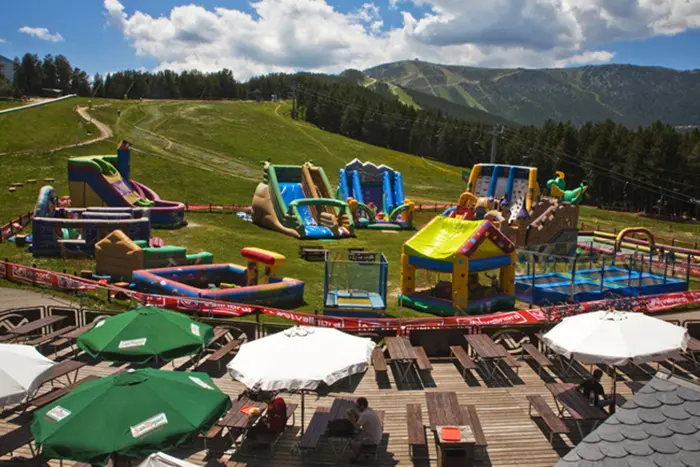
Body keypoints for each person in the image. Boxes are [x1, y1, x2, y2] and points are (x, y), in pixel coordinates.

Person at [349, 397, 382, 463]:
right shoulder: (369, 410)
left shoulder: (365, 415)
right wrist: (355, 413)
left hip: (372, 440)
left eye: (357, 406)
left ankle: (359, 457)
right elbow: (361, 416)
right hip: (377, 437)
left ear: (362, 406)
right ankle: (364, 453)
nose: (356, 408)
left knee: (352, 441)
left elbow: (356, 427)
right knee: (358, 435)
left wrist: (351, 418)